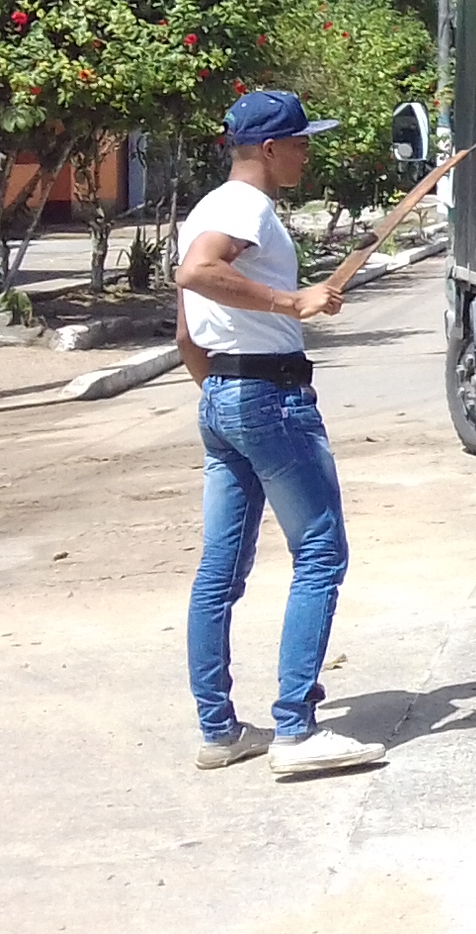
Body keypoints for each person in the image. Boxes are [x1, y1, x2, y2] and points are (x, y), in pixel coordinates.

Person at [173, 90, 383, 778]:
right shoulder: (243, 207)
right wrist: (293, 302)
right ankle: (295, 730)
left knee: (220, 571)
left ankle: (220, 730)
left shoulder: (209, 207)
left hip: (226, 394)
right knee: (321, 553)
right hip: (269, 394)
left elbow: (186, 328)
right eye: (298, 142)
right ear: (267, 149)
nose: (305, 152)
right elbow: (196, 273)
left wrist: (222, 397)